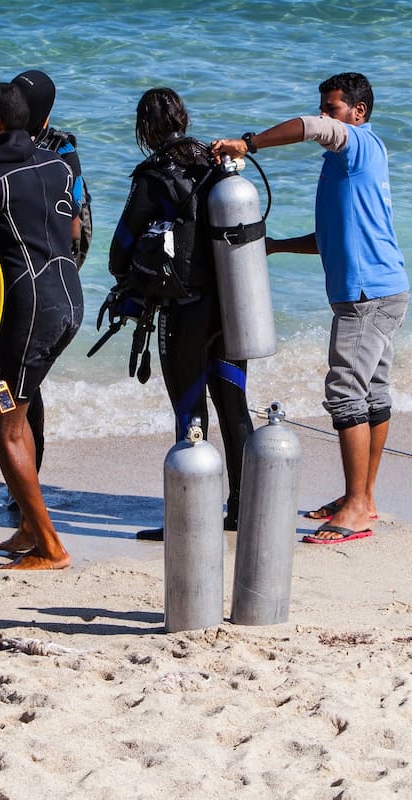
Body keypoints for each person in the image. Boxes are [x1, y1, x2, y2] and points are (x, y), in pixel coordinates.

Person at [211, 71, 409, 544]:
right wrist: (275, 246)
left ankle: (358, 507)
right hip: (384, 288)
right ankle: (362, 498)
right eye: (323, 106)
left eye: (333, 107)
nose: (325, 115)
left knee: (344, 392)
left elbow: (310, 127)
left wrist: (248, 144)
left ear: (357, 113)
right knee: (372, 393)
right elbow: (331, 239)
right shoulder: (349, 165)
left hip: (365, 298)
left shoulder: (357, 143)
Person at [108, 88, 253, 540]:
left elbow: (120, 249)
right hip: (232, 303)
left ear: (144, 129)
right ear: (184, 118)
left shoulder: (154, 175)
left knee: (190, 407)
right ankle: (245, 509)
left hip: (184, 309)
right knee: (234, 405)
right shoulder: (214, 164)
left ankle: (193, 518)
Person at [0, 82, 83, 570]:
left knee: (3, 423)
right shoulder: (57, 164)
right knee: (19, 413)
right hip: (68, 297)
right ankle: (30, 527)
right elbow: (72, 228)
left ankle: (51, 546)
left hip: (31, 313)